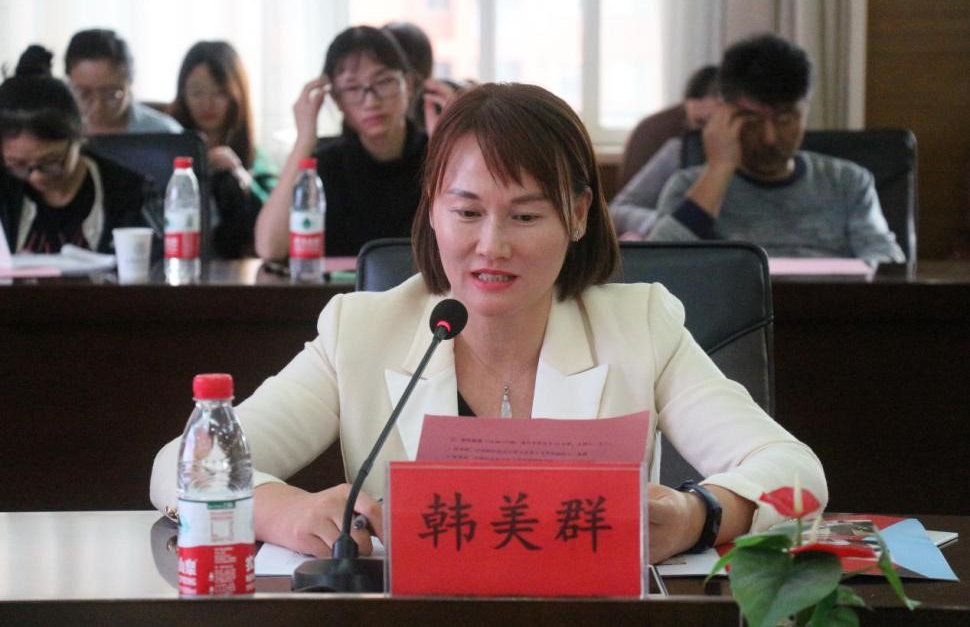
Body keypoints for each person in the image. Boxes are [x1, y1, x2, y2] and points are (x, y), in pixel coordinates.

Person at [151, 82, 827, 565]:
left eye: (526, 216)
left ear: (579, 214)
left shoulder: (640, 324)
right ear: (432, 209)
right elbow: (179, 465)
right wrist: (285, 511)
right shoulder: (361, 330)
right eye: (468, 212)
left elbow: (795, 472)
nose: (492, 246)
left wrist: (698, 516)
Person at [647, 34, 905, 264]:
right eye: (753, 121)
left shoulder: (847, 183)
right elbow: (654, 266)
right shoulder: (687, 187)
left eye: (785, 119)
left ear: (805, 111)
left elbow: (889, 263)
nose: (770, 138)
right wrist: (719, 168)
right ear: (724, 113)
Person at [254, 25, 454, 260]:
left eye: (383, 82)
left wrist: (450, 143)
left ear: (408, 85)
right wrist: (304, 140)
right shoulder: (324, 164)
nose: (370, 101)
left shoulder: (433, 154)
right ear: (336, 99)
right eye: (352, 88)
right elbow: (269, 247)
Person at [1, 45, 150, 254]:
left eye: (51, 163)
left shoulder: (127, 193)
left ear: (78, 139)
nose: (35, 176)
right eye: (18, 164)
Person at [169, 41, 277, 258]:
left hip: (236, 267)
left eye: (219, 93)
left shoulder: (253, 155)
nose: (207, 104)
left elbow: (277, 217)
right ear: (183, 94)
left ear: (236, 95)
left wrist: (240, 175)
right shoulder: (168, 145)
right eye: (197, 92)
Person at [611, 65, 718, 238]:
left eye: (713, 123)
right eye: (697, 125)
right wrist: (668, 223)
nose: (704, 135)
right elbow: (617, 210)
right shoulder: (676, 152)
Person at [617, 65, 719, 189]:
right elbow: (628, 200)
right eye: (700, 123)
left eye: (714, 121)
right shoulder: (674, 150)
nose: (707, 131)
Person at [65, 28, 182, 136]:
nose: (98, 106)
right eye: (83, 94)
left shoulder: (164, 134)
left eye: (111, 94)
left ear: (130, 84)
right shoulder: (59, 132)